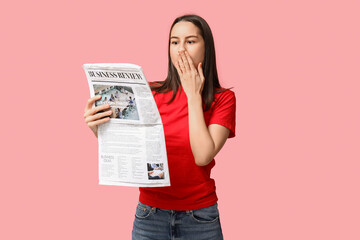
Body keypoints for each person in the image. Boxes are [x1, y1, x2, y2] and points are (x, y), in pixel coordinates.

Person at [83, 14, 236, 240]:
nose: (181, 49)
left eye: (190, 41)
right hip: (149, 215)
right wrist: (99, 128)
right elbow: (132, 147)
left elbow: (203, 155)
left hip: (200, 218)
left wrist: (193, 95)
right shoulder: (151, 92)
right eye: (174, 42)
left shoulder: (223, 99)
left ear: (207, 47)